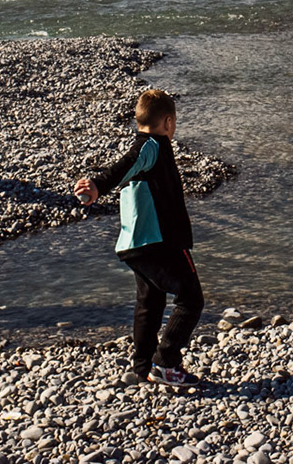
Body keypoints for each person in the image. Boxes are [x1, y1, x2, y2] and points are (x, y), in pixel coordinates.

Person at [74, 90, 204, 388]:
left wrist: (97, 185)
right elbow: (126, 163)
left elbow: (129, 166)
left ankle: (143, 368)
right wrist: (97, 185)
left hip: (135, 245)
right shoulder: (153, 146)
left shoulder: (146, 145)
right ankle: (165, 362)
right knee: (191, 298)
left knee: (150, 301)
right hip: (160, 242)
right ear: (169, 122)